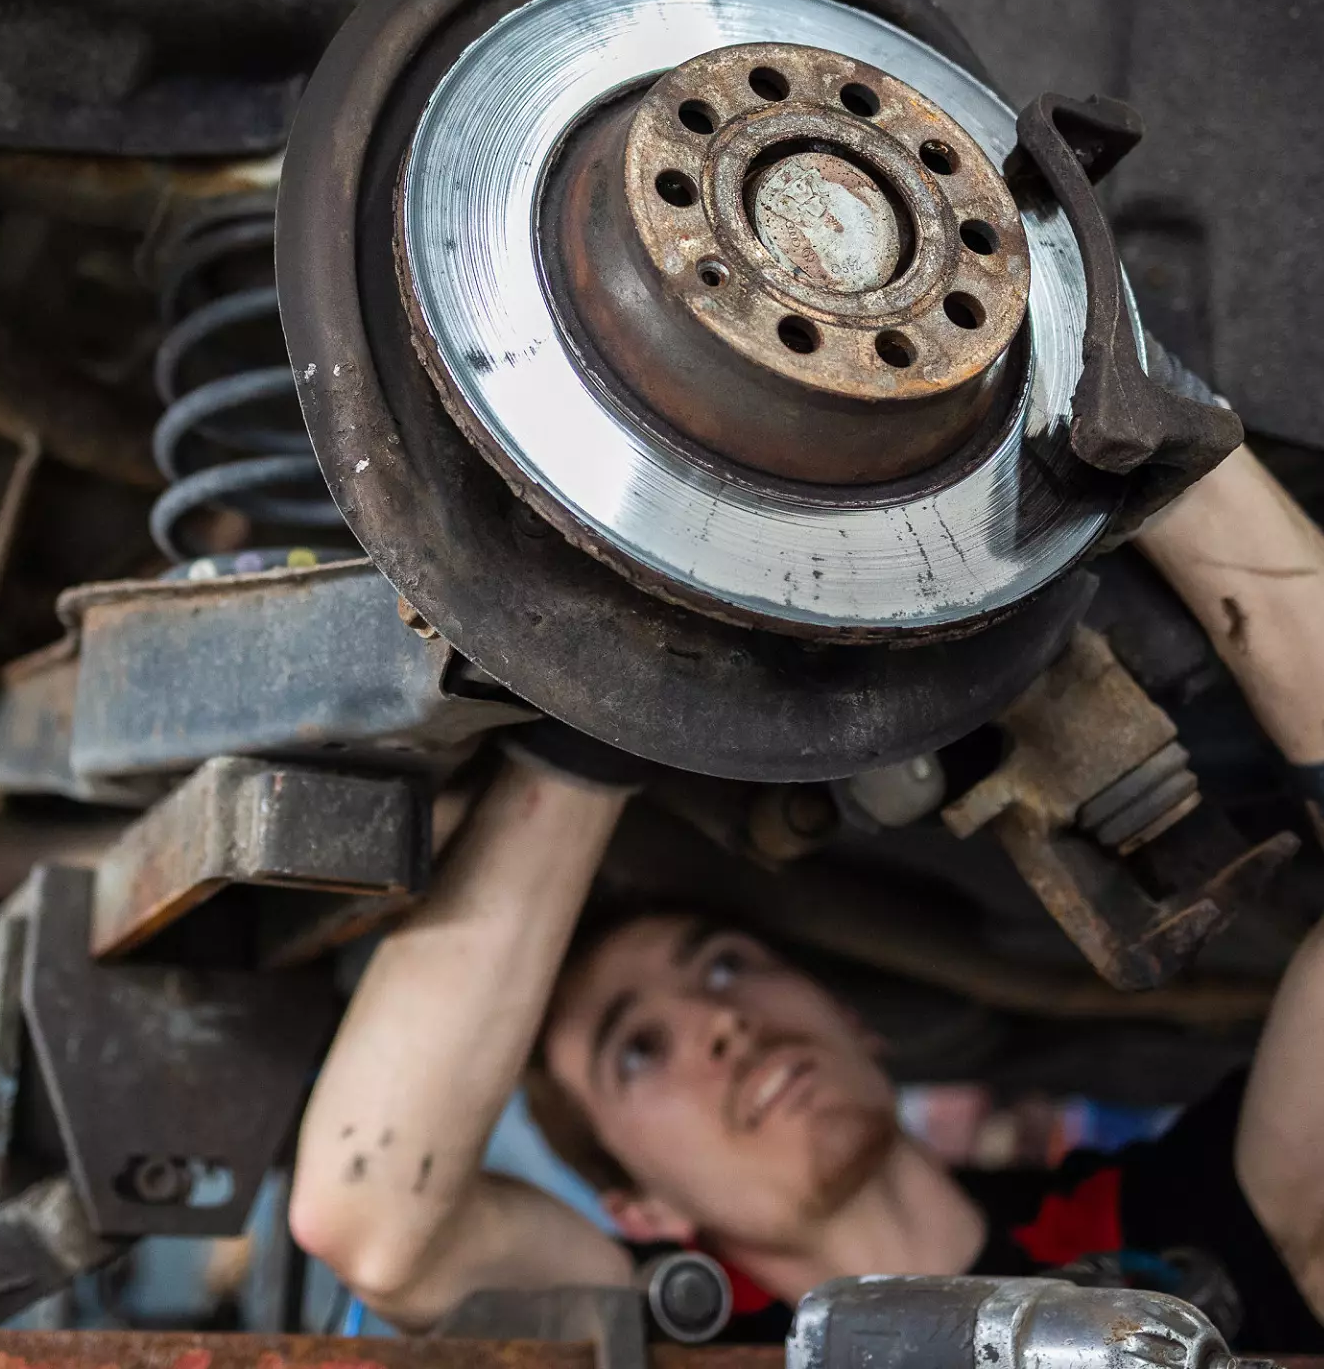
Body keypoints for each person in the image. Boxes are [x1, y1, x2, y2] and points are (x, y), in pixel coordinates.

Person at [288, 445, 1324, 1350]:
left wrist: (1174, 453)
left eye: (724, 966)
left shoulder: (1168, 1244)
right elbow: (370, 1221)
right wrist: (597, 720)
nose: (722, 1024)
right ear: (640, 1210)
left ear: (859, 1023)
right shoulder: (681, 1347)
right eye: (635, 1049)